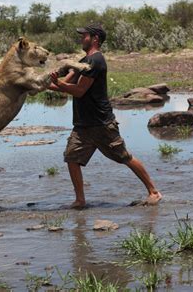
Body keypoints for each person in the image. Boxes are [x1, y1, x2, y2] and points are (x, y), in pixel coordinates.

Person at [48, 23, 162, 209]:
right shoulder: (82, 61)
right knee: (71, 159)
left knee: (124, 157)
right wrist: (40, 84)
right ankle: (80, 201)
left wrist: (57, 84)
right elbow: (63, 84)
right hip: (83, 125)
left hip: (101, 124)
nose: (80, 38)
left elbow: (79, 91)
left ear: (95, 39)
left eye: (84, 35)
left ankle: (154, 192)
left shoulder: (96, 61)